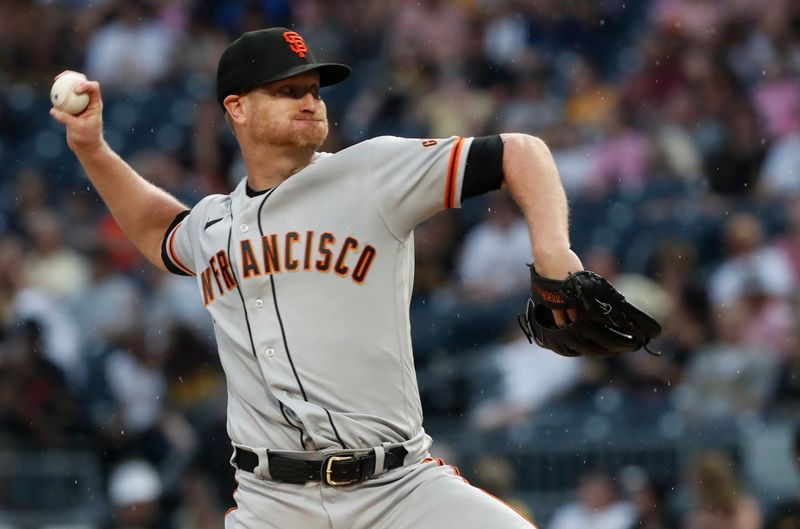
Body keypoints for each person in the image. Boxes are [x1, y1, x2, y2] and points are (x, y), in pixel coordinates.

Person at [51, 27, 584, 529]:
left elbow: (521, 151)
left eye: (314, 90)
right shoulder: (213, 225)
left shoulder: (371, 173)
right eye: (288, 90)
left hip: (400, 490)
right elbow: (158, 229)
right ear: (236, 107)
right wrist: (93, 150)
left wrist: (553, 248)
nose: (310, 101)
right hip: (272, 502)